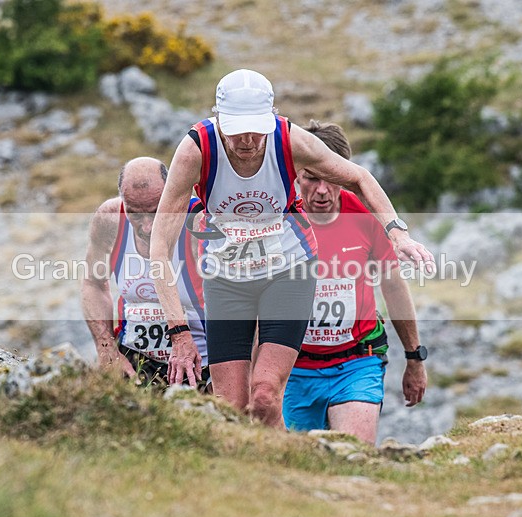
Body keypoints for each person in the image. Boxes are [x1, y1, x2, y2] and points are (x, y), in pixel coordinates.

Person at [149, 69, 434, 427]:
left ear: (270, 118)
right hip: (225, 280)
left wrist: (398, 233)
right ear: (218, 119)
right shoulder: (197, 150)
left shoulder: (289, 139)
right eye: (236, 130)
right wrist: (179, 333)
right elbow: (159, 247)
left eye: (256, 128)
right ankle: (257, 476)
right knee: (230, 410)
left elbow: (358, 176)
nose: (248, 141)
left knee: (265, 394)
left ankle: (279, 466)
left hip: (289, 272)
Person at [283, 121, 427, 444]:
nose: (321, 190)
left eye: (331, 179)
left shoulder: (364, 214)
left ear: (345, 176)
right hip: (294, 368)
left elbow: (393, 288)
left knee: (354, 458)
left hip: (356, 362)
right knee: (299, 469)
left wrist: (415, 358)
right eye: (310, 178)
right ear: (296, 175)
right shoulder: (281, 217)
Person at [81, 156, 209, 389]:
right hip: (135, 360)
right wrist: (106, 348)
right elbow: (93, 283)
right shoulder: (110, 218)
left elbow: (238, 299)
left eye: (155, 211)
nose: (147, 226)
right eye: (135, 215)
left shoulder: (198, 220)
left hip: (198, 364)